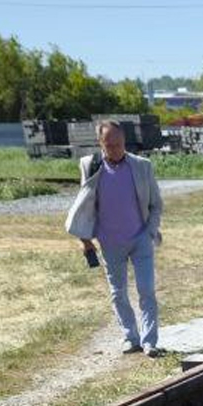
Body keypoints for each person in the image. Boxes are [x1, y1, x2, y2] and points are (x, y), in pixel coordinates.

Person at [64, 121, 165, 355]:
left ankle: (150, 342)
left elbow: (156, 204)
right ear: (101, 143)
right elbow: (85, 205)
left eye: (118, 144)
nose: (115, 149)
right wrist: (85, 239)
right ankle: (131, 338)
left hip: (140, 238)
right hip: (109, 242)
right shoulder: (90, 165)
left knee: (146, 290)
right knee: (118, 293)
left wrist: (150, 231)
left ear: (124, 142)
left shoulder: (142, 166)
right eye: (109, 145)